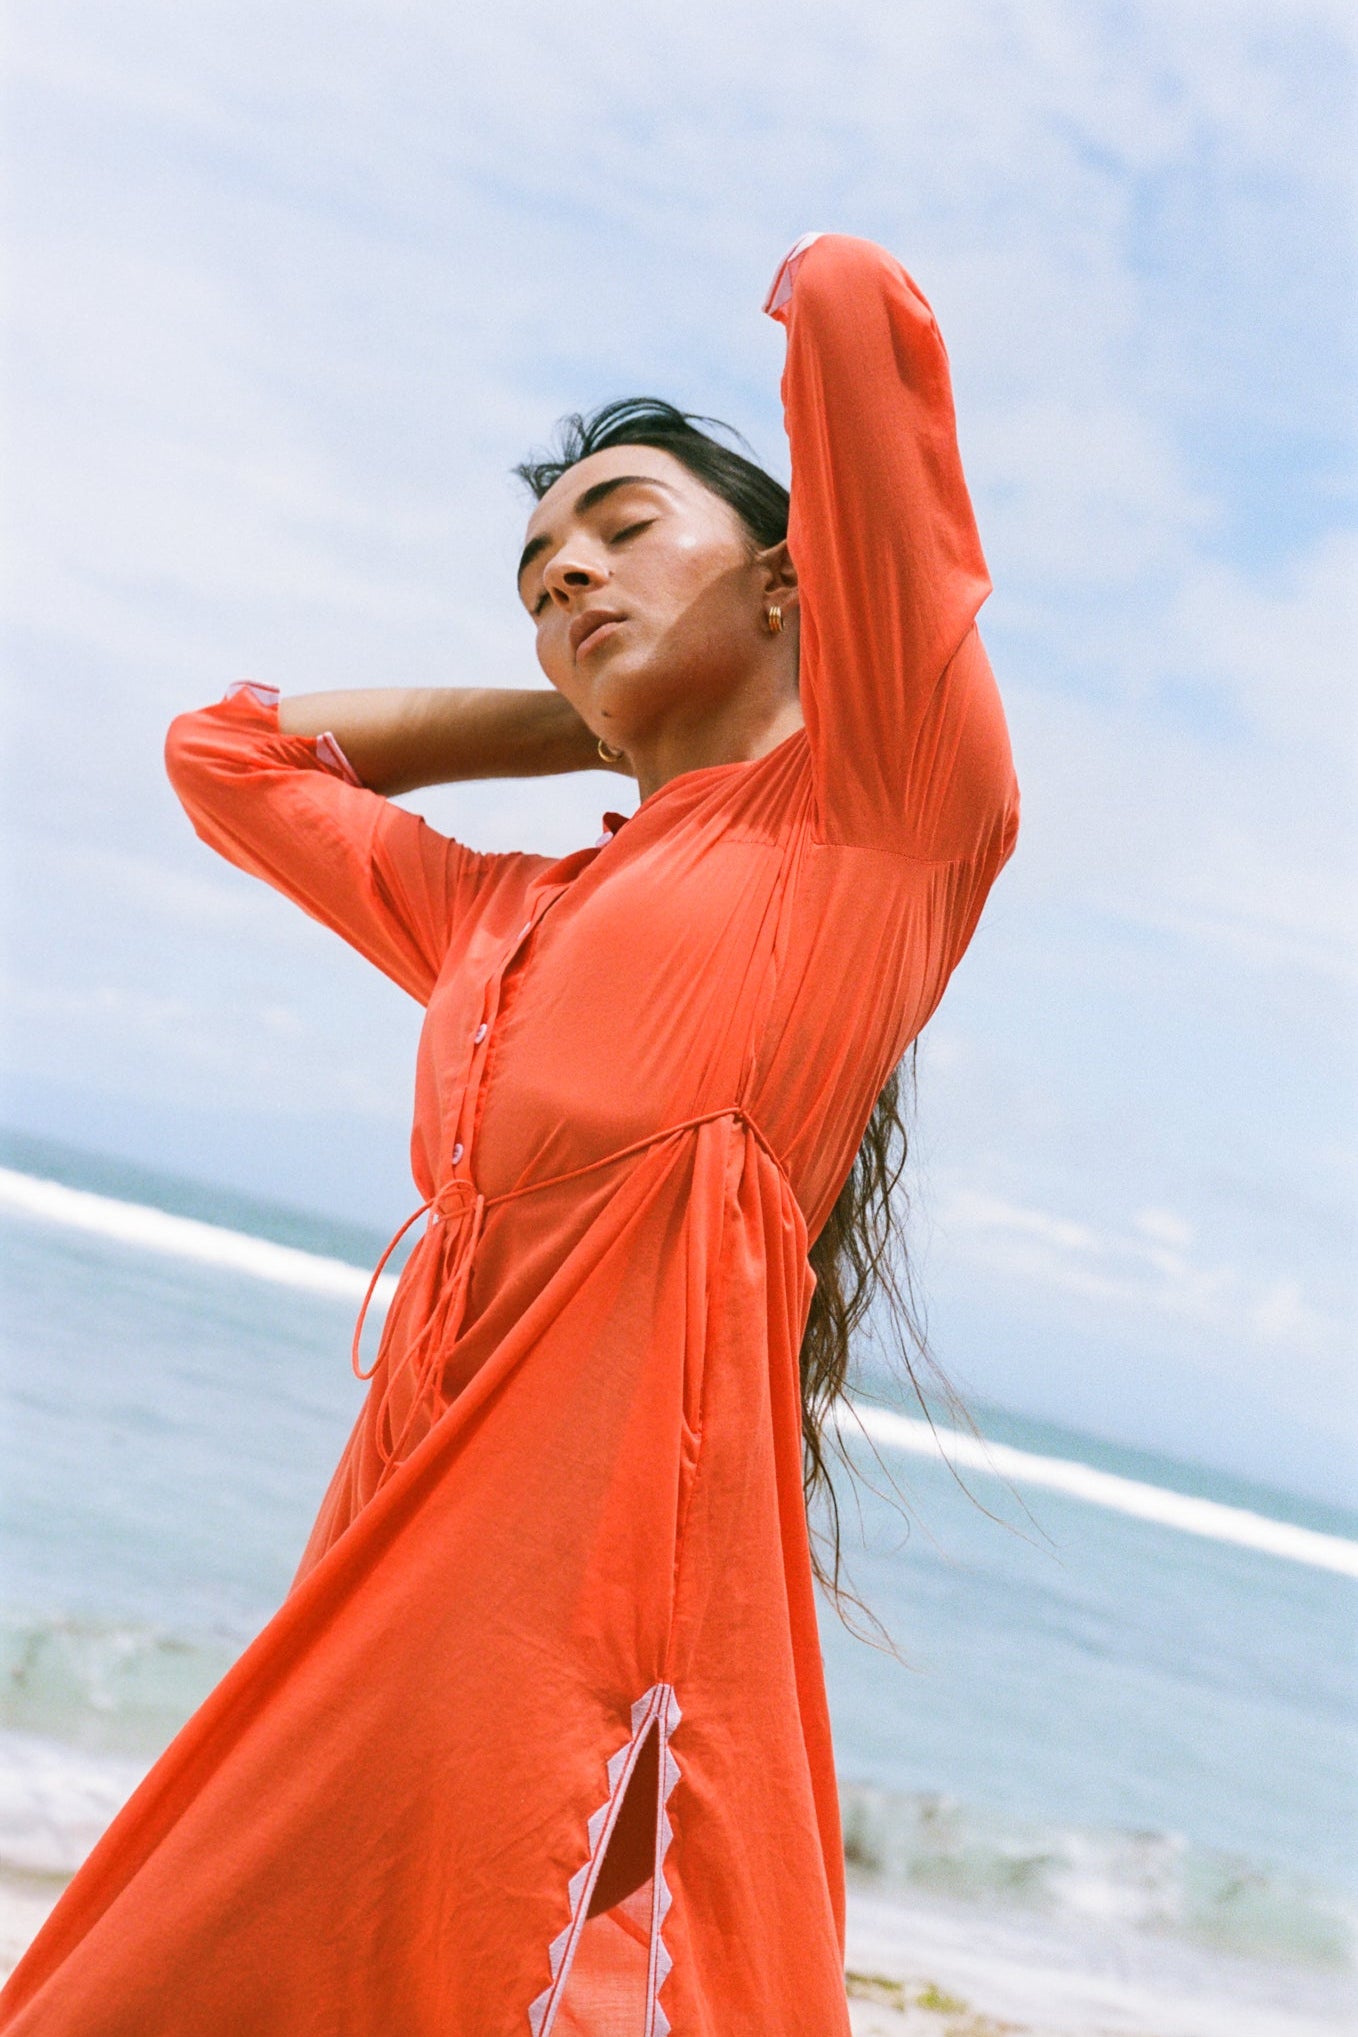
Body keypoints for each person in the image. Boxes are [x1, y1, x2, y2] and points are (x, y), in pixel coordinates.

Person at [0, 232, 1018, 2035]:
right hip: (397, 1521)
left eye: (623, 531)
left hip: (578, 1555)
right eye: (539, 579)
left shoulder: (877, 815)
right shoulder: (490, 915)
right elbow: (224, 753)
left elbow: (858, 310)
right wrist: (587, 714)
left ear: (793, 585)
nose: (567, 576)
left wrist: (781, 324)